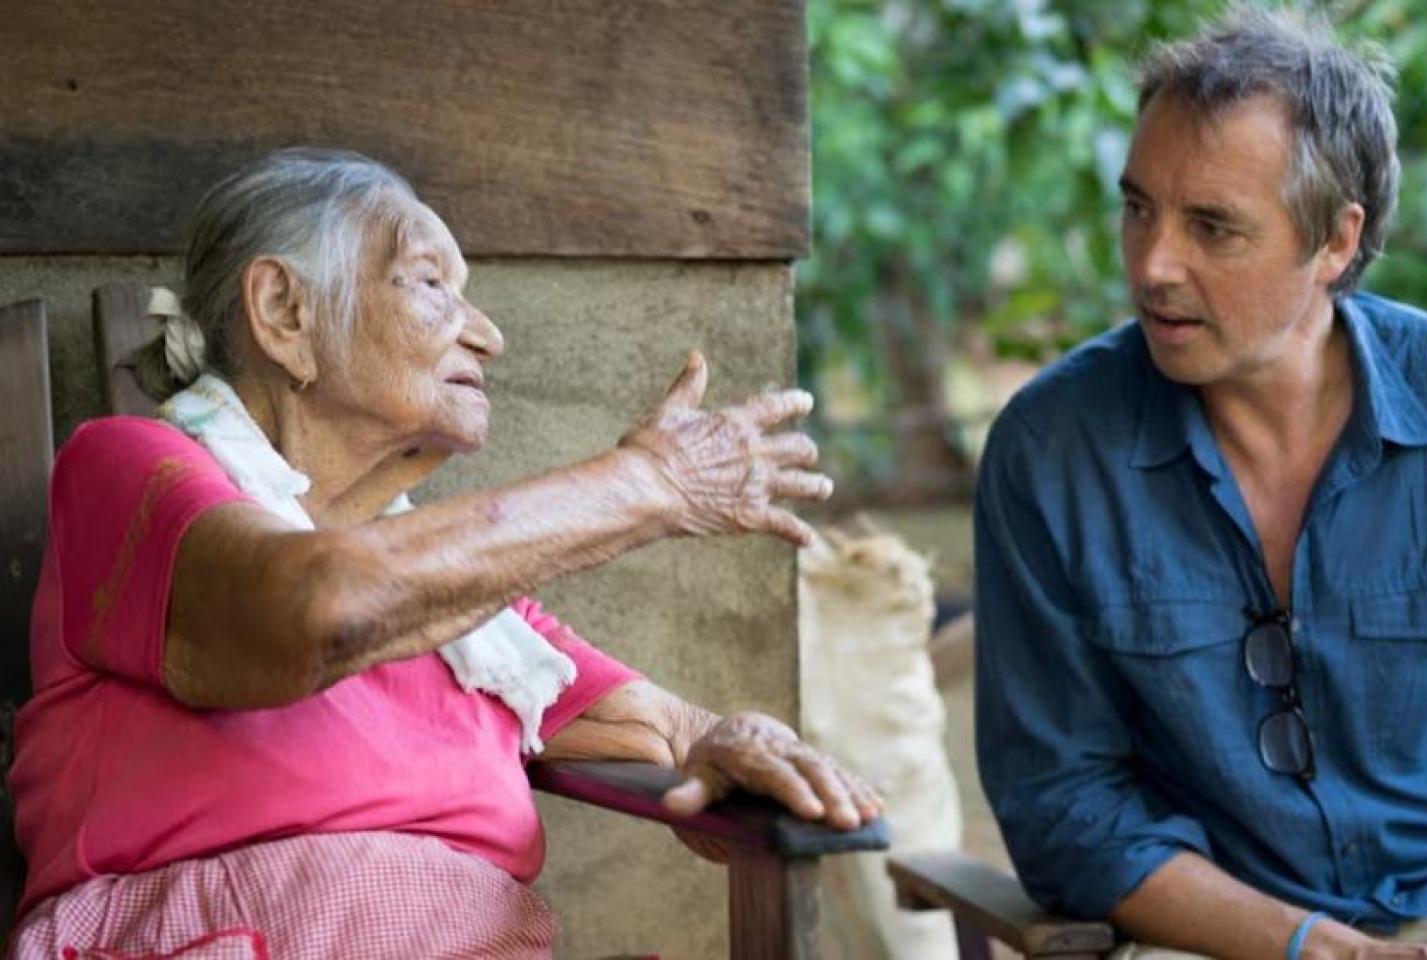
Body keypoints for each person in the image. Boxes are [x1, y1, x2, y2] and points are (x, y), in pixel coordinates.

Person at [6, 147, 880, 959]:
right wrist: (646, 485)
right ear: (284, 312)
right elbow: (316, 611)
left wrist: (738, 739)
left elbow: (674, 733)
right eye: (431, 282)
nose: (487, 335)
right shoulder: (125, 469)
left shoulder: (477, 625)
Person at [973, 7, 1427, 958]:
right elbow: (1064, 807)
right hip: (1219, 936)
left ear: (1334, 242)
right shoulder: (1050, 449)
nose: (1152, 264)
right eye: (1137, 207)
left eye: (1213, 227)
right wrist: (1323, 950)